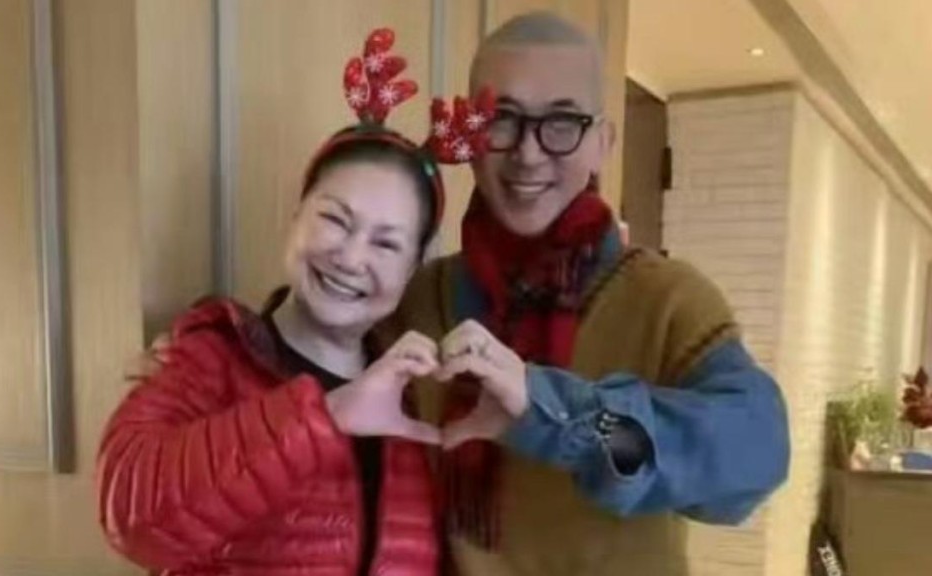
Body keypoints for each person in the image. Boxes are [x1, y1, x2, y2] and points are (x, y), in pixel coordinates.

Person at [378, 11, 791, 576]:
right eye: (501, 119)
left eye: (562, 122)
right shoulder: (420, 297)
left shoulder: (667, 299)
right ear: (471, 137)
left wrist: (555, 413)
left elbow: (756, 456)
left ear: (602, 143)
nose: (528, 153)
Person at [96, 29, 493, 576]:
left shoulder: (414, 394)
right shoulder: (210, 357)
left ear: (411, 268)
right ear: (297, 215)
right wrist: (324, 417)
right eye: (335, 219)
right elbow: (131, 518)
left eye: (386, 244)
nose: (350, 257)